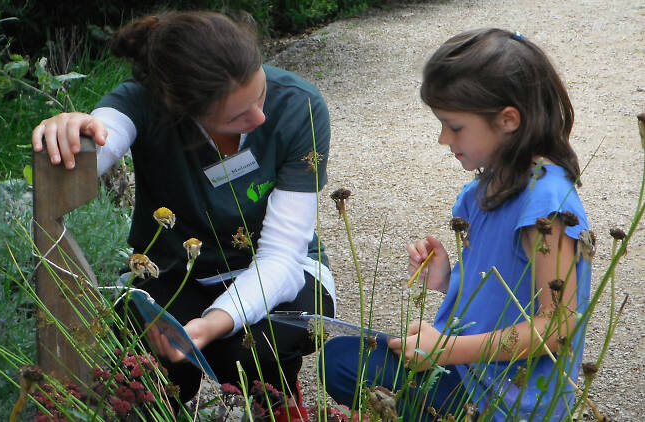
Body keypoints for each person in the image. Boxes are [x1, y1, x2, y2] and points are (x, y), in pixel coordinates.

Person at [31, 10, 336, 413]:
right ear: (183, 110)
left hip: (284, 273)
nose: (260, 118)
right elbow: (103, 134)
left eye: (260, 94)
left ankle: (275, 396)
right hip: (174, 274)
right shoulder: (145, 102)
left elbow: (282, 257)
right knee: (142, 357)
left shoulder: (300, 106)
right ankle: (164, 406)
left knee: (250, 346)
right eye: (237, 115)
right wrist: (74, 130)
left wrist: (214, 322)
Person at [320, 28, 591, 421]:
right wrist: (451, 278)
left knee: (347, 365)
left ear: (508, 120)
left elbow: (557, 327)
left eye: (455, 125)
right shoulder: (480, 192)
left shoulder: (546, 204)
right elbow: (504, 287)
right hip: (469, 370)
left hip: (504, 399)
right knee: (340, 358)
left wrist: (446, 350)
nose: (443, 138)